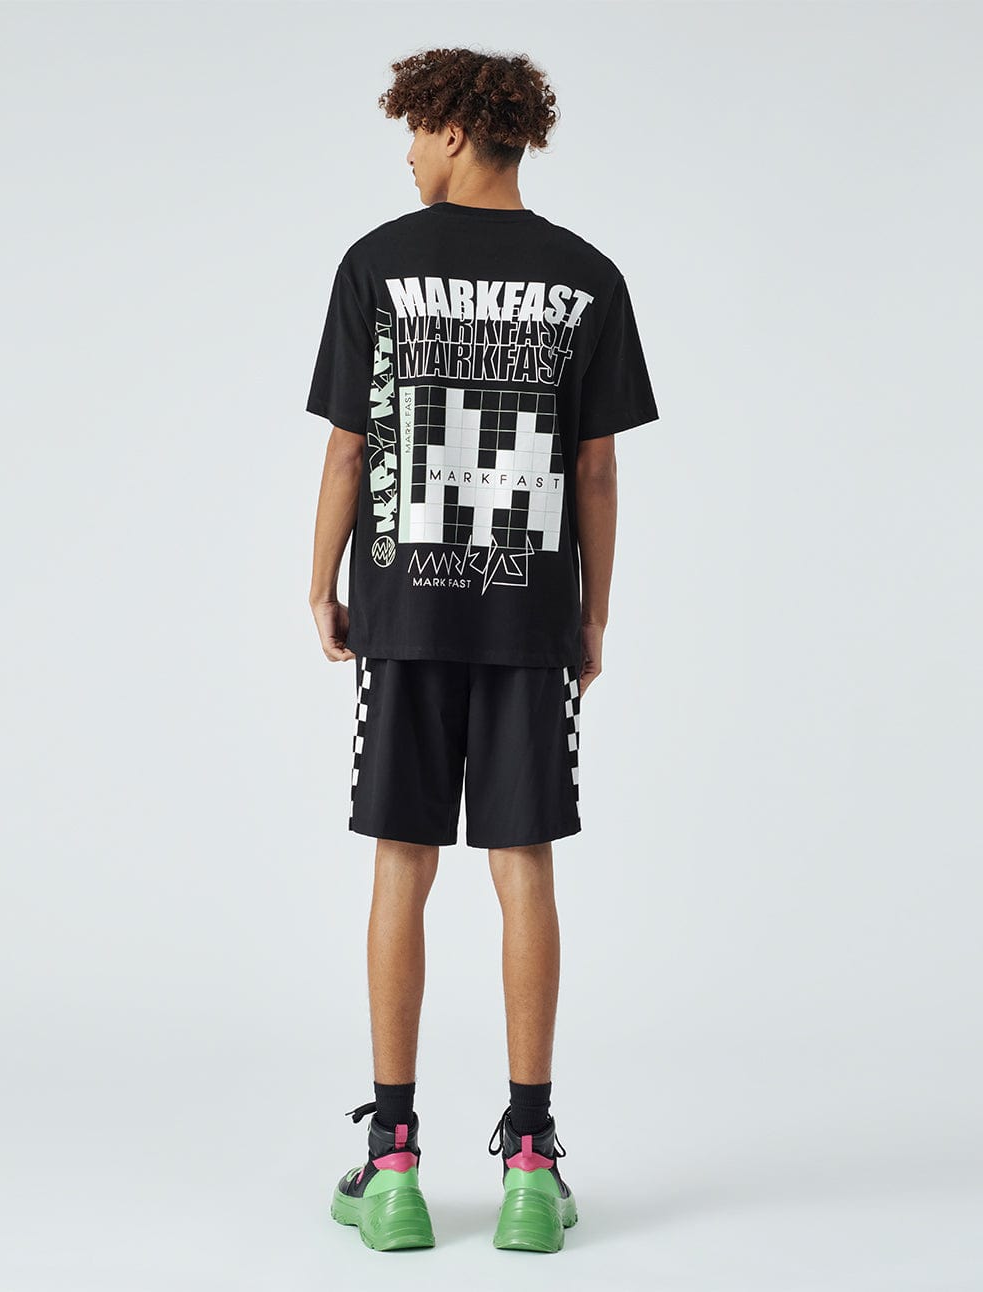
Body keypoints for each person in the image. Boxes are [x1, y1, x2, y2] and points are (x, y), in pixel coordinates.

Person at [305, 47, 659, 1254]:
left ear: (455, 130)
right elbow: (596, 469)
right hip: (526, 618)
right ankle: (529, 1160)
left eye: (413, 131)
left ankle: (393, 1158)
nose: (407, 155)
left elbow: (348, 448)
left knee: (400, 865)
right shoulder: (587, 276)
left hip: (404, 613)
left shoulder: (376, 265)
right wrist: (591, 613)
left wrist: (321, 584)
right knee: (525, 868)